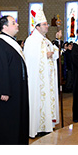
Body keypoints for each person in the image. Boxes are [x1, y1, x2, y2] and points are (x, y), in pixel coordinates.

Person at [0, 15, 29, 145]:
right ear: (5, 27)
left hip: (16, 89)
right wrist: (3, 90)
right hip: (6, 92)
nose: (17, 25)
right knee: (4, 123)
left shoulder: (11, 42)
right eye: (14, 23)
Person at [24, 8, 60, 139]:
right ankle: (37, 127)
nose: (47, 26)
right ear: (37, 27)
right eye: (44, 24)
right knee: (38, 101)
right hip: (38, 80)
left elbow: (54, 52)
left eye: (47, 24)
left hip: (48, 78)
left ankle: (46, 126)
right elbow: (30, 59)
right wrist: (45, 55)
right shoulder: (31, 40)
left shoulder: (46, 40)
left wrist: (56, 45)